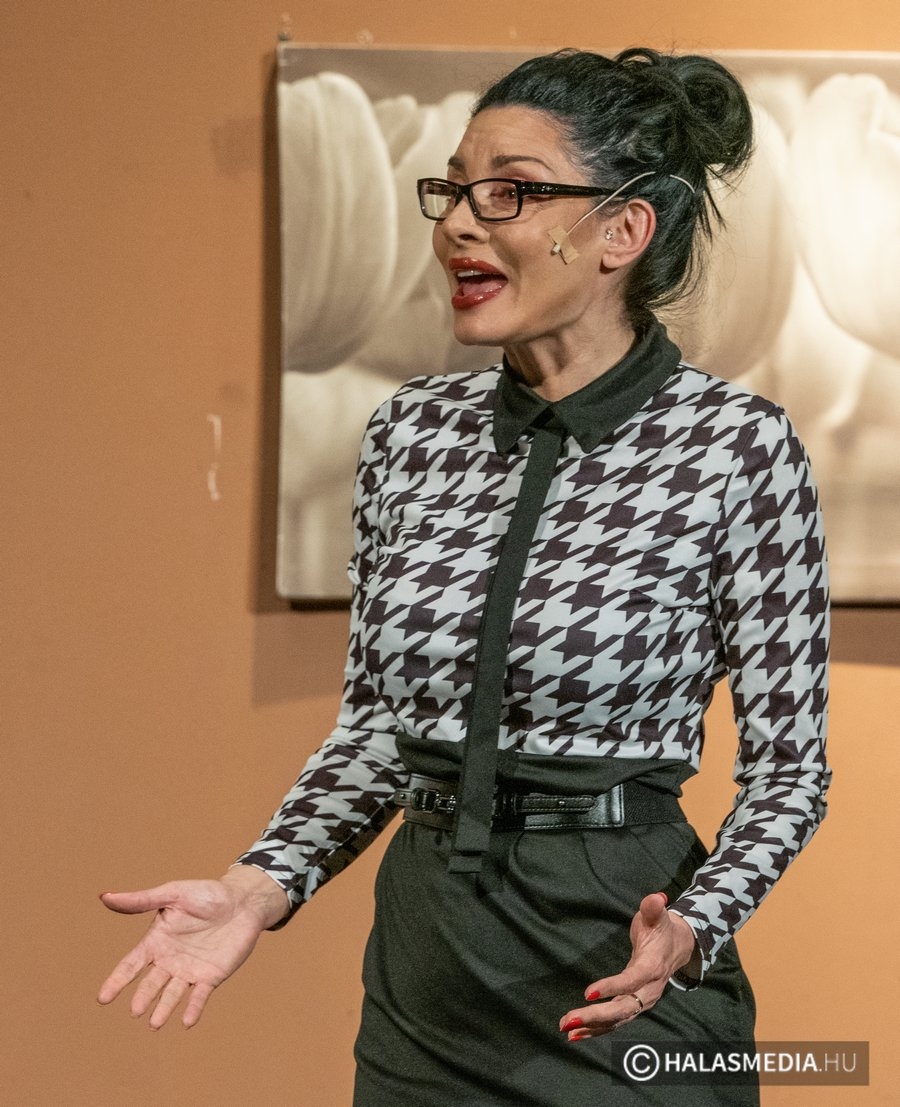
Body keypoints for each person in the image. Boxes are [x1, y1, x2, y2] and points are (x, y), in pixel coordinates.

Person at [98, 48, 830, 1105]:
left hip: (627, 955)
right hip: (428, 968)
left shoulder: (737, 447)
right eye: (453, 189)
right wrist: (257, 887)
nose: (457, 225)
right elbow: (375, 731)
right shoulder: (410, 433)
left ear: (623, 230)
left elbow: (790, 772)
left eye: (510, 192)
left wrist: (697, 925)